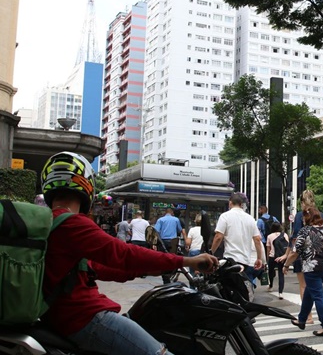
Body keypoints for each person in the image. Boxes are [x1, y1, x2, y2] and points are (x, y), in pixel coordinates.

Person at [40, 151, 217, 355]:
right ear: (86, 184)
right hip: (83, 317)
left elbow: (96, 268)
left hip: (60, 316)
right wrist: (188, 261)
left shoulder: (47, 223)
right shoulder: (73, 223)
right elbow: (124, 254)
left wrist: (145, 270)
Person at [284, 208, 323, 337]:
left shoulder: (305, 231)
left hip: (311, 268)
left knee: (318, 296)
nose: (302, 220)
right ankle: (302, 319)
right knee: (309, 292)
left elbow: (295, 252)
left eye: (303, 217)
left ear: (307, 218)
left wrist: (286, 265)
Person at [277, 190, 323, 325]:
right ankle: (317, 318)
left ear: (302, 202)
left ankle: (308, 316)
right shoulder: (321, 215)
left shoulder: (299, 216)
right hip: (319, 255)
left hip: (303, 255)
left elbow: (295, 238)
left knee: (303, 286)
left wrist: (287, 256)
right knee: (316, 287)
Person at [211, 192, 265, 285]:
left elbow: (218, 237)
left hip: (230, 260)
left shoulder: (225, 216)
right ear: (241, 205)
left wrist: (210, 253)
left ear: (230, 203)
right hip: (245, 261)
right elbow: (257, 239)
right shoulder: (250, 219)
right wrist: (259, 259)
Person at [266, 221, 288, 299]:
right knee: (281, 274)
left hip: (272, 256)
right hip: (282, 256)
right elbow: (287, 247)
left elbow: (268, 248)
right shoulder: (285, 235)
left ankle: (271, 285)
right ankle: (280, 292)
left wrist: (267, 258)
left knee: (271, 272)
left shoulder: (269, 236)